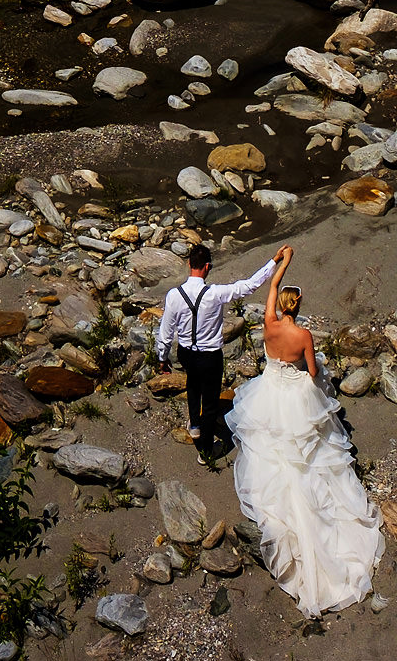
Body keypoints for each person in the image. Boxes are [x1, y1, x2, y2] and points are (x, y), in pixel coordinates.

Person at [225, 245, 385, 617]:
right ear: (299, 306)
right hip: (295, 392)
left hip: (269, 391)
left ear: (282, 304)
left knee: (272, 448)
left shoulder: (268, 322)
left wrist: (284, 261)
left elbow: (270, 289)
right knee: (313, 454)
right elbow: (313, 373)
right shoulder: (304, 335)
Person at [156, 242, 280, 460]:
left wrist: (162, 358)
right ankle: (205, 451)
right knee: (211, 401)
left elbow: (166, 332)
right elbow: (249, 285)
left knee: (192, 385)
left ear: (189, 264)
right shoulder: (216, 293)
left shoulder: (174, 295)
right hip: (210, 357)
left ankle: (194, 424)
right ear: (207, 267)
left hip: (186, 353)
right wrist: (274, 261)